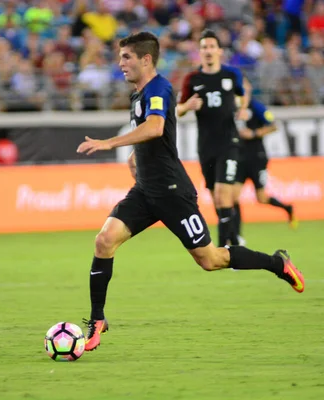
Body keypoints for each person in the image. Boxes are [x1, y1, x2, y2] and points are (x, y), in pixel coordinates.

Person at [77, 32, 305, 352]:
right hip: (145, 190)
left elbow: (156, 127)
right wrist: (134, 156)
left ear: (146, 59)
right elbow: (154, 135)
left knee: (211, 260)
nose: (120, 63)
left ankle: (277, 264)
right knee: (104, 240)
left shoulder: (160, 88)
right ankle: (97, 320)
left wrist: (109, 143)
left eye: (126, 57)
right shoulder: (139, 93)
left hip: (173, 193)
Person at [177, 29, 249, 247]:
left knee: (223, 194)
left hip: (229, 142)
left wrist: (243, 108)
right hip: (206, 146)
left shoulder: (231, 74)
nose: (208, 51)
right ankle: (234, 240)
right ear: (199, 52)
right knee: (216, 198)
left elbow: (243, 91)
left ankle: (226, 247)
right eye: (204, 47)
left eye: (211, 46)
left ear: (219, 51)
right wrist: (187, 106)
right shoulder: (193, 79)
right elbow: (178, 110)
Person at [234, 79, 297, 245]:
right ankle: (237, 236)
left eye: (244, 88)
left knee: (261, 198)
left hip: (257, 158)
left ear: (249, 89)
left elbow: (273, 126)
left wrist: (254, 133)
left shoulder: (257, 107)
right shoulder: (234, 107)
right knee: (232, 197)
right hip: (238, 158)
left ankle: (287, 208)